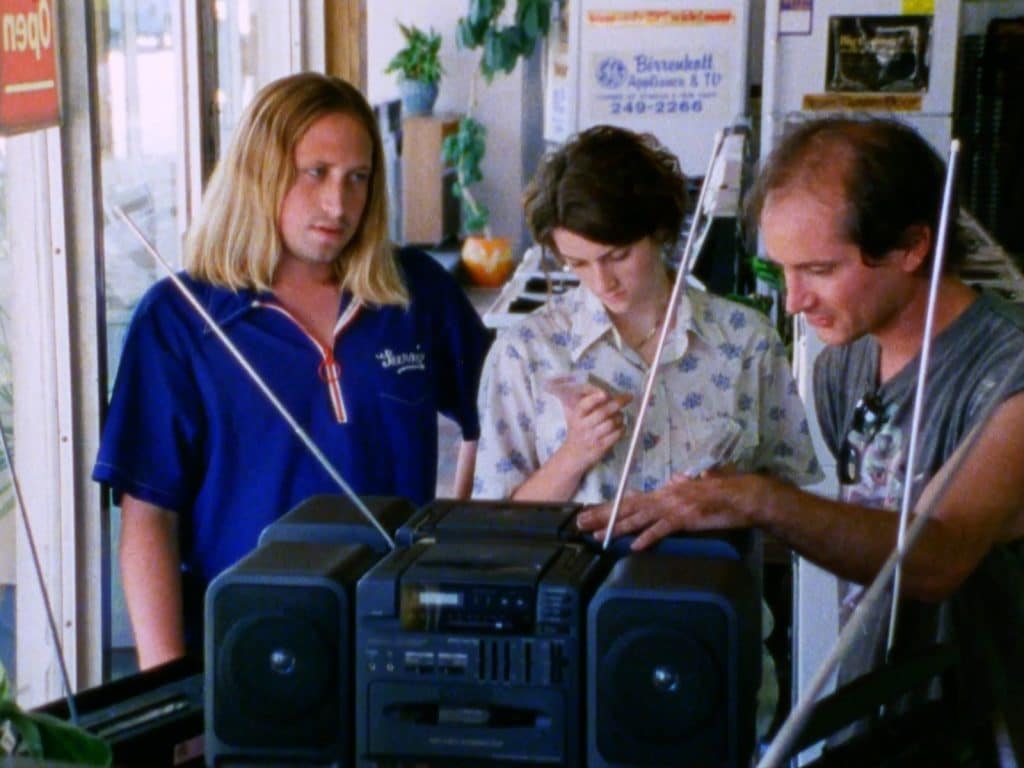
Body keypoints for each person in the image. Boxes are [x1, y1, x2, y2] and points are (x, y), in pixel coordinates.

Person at [577, 116, 1024, 751]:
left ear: (911, 247)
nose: (793, 302)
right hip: (881, 718)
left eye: (817, 269)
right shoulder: (842, 363)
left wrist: (756, 498)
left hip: (987, 731)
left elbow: (931, 561)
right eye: (781, 269)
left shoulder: (1008, 371)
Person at [93, 73, 490, 669]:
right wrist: (169, 690)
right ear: (260, 171)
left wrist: (454, 540)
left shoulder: (414, 291)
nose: (339, 204)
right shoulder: (179, 319)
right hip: (248, 646)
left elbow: (502, 414)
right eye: (316, 174)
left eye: (358, 179)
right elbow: (148, 518)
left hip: (394, 641)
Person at [474, 124, 821, 504]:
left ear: (659, 230)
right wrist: (574, 455)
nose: (602, 280)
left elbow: (789, 504)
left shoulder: (745, 339)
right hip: (582, 563)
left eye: (618, 256)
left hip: (710, 562)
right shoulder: (525, 351)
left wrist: (734, 494)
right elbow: (500, 524)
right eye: (578, 264)